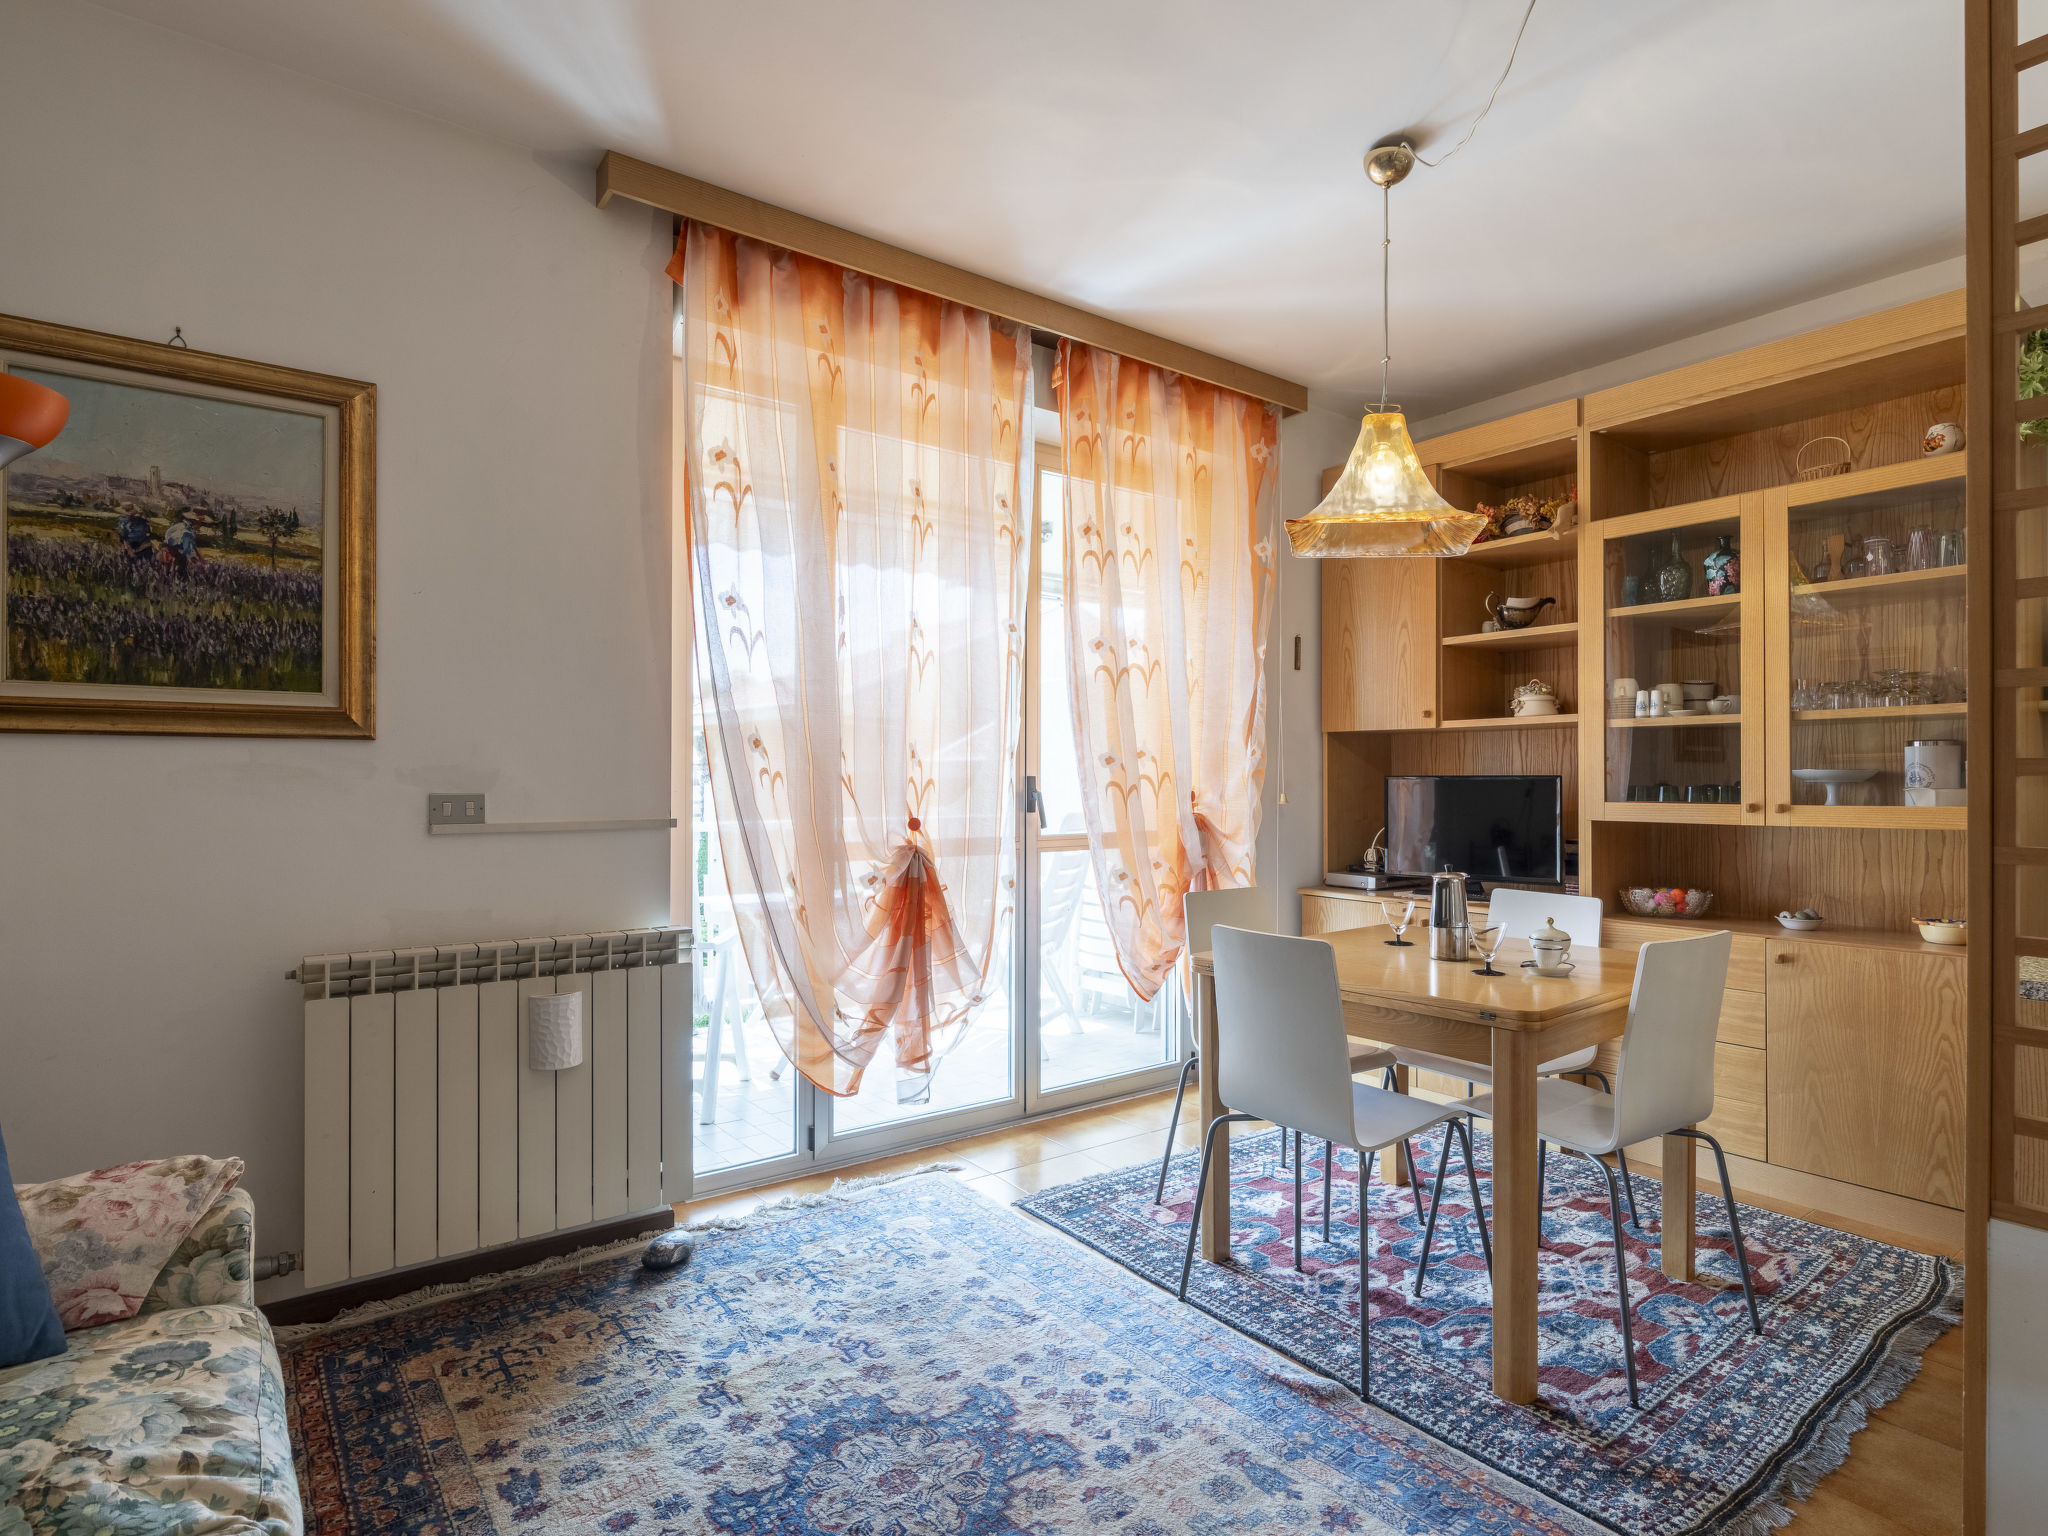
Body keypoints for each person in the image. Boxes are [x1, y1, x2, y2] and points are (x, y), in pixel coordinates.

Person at [163, 511, 195, 577]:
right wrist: (192, 557)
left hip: (169, 547)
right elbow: (187, 550)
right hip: (174, 550)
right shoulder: (187, 532)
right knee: (180, 565)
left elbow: (168, 534)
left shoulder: (181, 525)